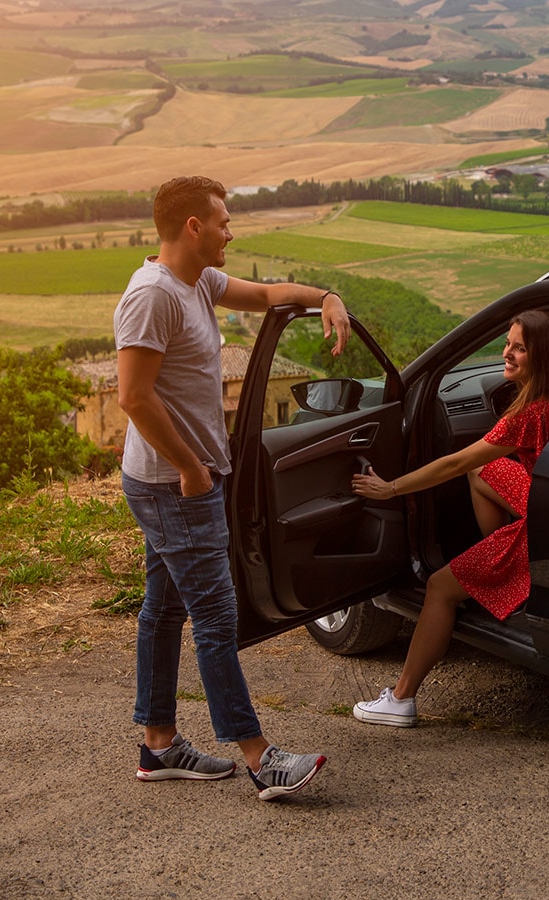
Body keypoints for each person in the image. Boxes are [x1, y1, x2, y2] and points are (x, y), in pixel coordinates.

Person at [116, 175, 353, 800]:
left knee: (164, 609)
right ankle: (258, 758)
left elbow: (270, 293)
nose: (230, 230)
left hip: (180, 480)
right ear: (193, 226)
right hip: (175, 485)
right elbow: (133, 397)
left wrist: (326, 295)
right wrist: (193, 468)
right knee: (216, 616)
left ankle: (159, 745)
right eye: (223, 221)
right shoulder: (152, 295)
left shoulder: (200, 282)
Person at [348, 309, 549, 727]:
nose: (507, 353)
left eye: (520, 348)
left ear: (542, 357)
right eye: (507, 343)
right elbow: (477, 467)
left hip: (542, 530)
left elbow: (453, 463)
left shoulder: (529, 416)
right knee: (485, 470)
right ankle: (501, 575)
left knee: (439, 587)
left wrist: (391, 488)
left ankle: (401, 700)